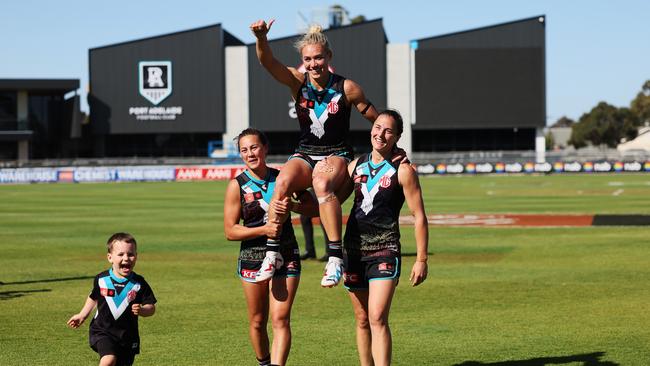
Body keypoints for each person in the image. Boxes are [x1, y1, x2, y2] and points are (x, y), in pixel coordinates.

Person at [250, 19, 380, 287]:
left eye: (318, 58)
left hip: (337, 154)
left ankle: (334, 259)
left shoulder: (347, 88)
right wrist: (261, 38)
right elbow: (268, 63)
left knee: (322, 183)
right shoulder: (298, 83)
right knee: (282, 182)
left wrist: (391, 143)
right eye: (307, 59)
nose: (313, 64)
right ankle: (272, 252)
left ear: (328, 57)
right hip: (306, 152)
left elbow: (375, 120)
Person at [224, 128, 317, 366]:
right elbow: (230, 230)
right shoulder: (237, 185)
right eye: (244, 150)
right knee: (257, 321)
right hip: (252, 256)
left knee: (281, 319)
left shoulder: (283, 178)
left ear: (265, 148)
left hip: (286, 254)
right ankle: (264, 363)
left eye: (254, 147)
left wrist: (293, 208)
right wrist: (263, 231)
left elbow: (314, 209)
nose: (250, 154)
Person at [343, 110, 428, 366]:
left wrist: (421, 259)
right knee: (361, 318)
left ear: (397, 136)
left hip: (385, 249)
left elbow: (419, 216)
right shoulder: (355, 165)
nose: (380, 134)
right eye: (377, 127)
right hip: (354, 250)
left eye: (388, 130)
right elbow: (331, 200)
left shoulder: (403, 171)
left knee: (377, 316)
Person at [67, 232, 157, 366]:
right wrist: (82, 315)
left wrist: (142, 310)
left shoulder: (139, 283)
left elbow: (151, 307)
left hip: (127, 336)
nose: (126, 258)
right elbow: (93, 297)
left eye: (130, 254)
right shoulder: (102, 279)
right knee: (109, 359)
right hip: (102, 331)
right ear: (110, 257)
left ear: (136, 257)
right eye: (120, 254)